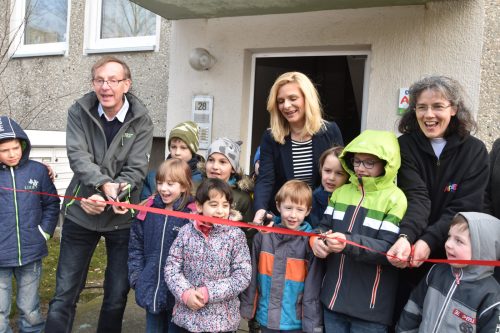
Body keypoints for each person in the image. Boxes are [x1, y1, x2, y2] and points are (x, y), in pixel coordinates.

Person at [45, 56, 154, 333]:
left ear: (126, 85)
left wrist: (115, 193)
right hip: (82, 211)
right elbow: (78, 157)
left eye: (113, 81)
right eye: (99, 80)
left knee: (116, 295)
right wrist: (101, 188)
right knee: (64, 293)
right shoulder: (78, 111)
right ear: (93, 83)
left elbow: (137, 168)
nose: (105, 87)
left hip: (120, 216)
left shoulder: (141, 120)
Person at [385, 76, 489, 319]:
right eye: (422, 107)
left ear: (453, 109)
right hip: (406, 251)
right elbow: (416, 196)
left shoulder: (474, 151)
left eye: (438, 106)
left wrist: (429, 241)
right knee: (402, 316)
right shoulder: (404, 146)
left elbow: (466, 206)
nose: (428, 115)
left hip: (449, 258)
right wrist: (408, 238)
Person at [310, 130, 407, 332]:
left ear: (387, 164)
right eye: (356, 161)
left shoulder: (395, 199)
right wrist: (316, 241)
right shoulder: (341, 192)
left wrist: (347, 243)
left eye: (369, 162)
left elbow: (387, 249)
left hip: (370, 309)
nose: (360, 168)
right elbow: (323, 227)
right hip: (332, 300)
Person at [253, 71, 343, 222]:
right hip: (285, 218)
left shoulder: (330, 131)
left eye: (293, 98)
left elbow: (342, 174)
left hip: (323, 217)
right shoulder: (271, 137)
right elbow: (266, 179)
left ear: (307, 99)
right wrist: (260, 209)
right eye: (280, 101)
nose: (286, 106)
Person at [164, 178, 252, 333]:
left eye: (225, 205)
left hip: (221, 321)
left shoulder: (236, 236)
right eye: (213, 205)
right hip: (187, 318)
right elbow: (172, 268)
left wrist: (208, 293)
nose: (220, 211)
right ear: (199, 206)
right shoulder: (186, 232)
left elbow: (242, 276)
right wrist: (185, 293)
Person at [0, 116, 60, 333]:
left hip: (31, 251)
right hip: (1, 256)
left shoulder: (37, 171)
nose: (12, 153)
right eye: (4, 150)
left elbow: (52, 204)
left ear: (22, 145)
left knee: (30, 309)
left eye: (15, 147)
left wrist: (43, 233)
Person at [240, 180, 323, 333]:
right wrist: (247, 307)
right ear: (278, 206)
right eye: (288, 208)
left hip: (295, 320)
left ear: (308, 211)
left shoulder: (310, 243)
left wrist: (312, 323)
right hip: (266, 317)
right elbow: (251, 276)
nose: (293, 215)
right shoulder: (263, 237)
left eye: (299, 209)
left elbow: (313, 287)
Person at [396, 212, 500, 332]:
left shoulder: (492, 296)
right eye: (449, 237)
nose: (448, 244)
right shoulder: (436, 272)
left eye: (459, 241)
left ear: (483, 249)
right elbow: (413, 309)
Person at [128, 159, 194, 333]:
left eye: (170, 184)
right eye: (160, 183)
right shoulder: (146, 212)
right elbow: (135, 247)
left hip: (179, 298)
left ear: (185, 186)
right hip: (152, 291)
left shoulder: (192, 216)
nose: (163, 188)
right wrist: (137, 277)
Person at [141, 121, 204, 200]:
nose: (177, 153)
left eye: (183, 148)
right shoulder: (153, 177)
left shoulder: (202, 179)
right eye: (173, 147)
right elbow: (144, 207)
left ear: (192, 150)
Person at [201, 137, 254, 222]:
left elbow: (249, 232)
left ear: (233, 168)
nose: (215, 166)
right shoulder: (195, 188)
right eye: (211, 160)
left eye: (222, 162)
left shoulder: (243, 199)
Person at [310, 145, 348, 228]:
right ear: (321, 170)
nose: (331, 178)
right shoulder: (312, 199)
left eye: (339, 173)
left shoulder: (353, 199)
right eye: (327, 171)